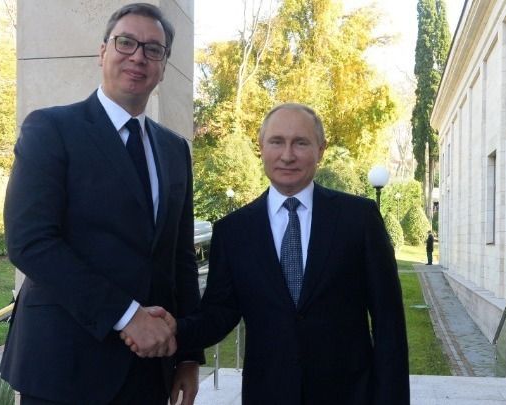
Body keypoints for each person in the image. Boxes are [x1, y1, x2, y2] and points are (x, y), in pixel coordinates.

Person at [131, 103, 410, 404]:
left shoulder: (359, 219)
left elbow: (389, 324)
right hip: (268, 394)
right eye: (277, 142)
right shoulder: (233, 231)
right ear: (261, 147)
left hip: (350, 395)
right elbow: (219, 314)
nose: (287, 155)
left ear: (321, 150)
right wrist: (176, 329)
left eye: (300, 143)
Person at [0, 3, 202, 404]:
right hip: (64, 367)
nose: (138, 57)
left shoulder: (174, 149)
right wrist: (127, 315)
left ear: (163, 66)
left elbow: (180, 259)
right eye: (126, 42)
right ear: (103, 51)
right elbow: (30, 242)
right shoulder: (51, 129)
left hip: (148, 371)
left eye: (153, 49)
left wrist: (188, 354)